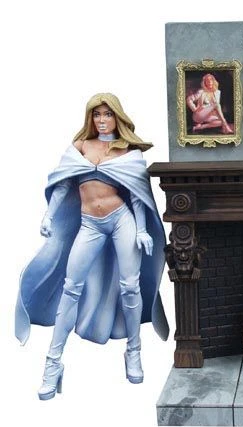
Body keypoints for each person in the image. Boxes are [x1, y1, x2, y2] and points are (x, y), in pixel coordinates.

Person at [15, 93, 169, 400]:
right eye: (97, 114)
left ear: (117, 117)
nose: (102, 119)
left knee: (130, 286)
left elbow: (137, 194)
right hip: (89, 225)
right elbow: (63, 184)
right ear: (90, 118)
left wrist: (141, 229)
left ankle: (134, 351)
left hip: (122, 220)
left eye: (107, 114)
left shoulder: (128, 151)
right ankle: (53, 363)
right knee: (71, 288)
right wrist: (48, 215)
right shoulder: (80, 147)